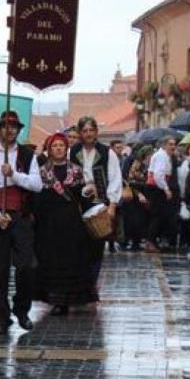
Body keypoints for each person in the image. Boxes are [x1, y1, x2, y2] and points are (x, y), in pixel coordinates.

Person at [0, 110, 43, 334]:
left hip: (21, 217)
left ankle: (22, 309)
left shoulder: (28, 155)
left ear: (18, 130)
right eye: (5, 126)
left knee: (28, 265)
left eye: (14, 127)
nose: (10, 130)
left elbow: (37, 184)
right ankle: (2, 316)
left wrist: (13, 174)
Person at [33, 133, 97, 315]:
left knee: (71, 260)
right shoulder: (42, 172)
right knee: (52, 260)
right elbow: (36, 198)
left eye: (62, 145)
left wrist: (89, 193)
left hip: (71, 222)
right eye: (55, 146)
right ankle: (54, 299)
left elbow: (83, 198)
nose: (59, 149)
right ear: (49, 149)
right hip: (49, 223)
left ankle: (72, 298)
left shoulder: (76, 171)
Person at [68, 116, 120, 280]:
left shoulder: (107, 153)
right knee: (78, 242)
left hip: (100, 202)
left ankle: (92, 281)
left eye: (91, 130)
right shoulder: (73, 152)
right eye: (85, 131)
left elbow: (115, 178)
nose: (88, 134)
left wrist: (112, 204)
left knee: (97, 243)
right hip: (77, 202)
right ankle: (80, 281)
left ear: (96, 132)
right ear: (80, 133)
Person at [145, 137, 178, 252]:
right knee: (157, 216)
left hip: (158, 186)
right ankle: (150, 241)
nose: (173, 147)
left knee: (160, 216)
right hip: (156, 187)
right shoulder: (161, 156)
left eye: (174, 144)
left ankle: (152, 240)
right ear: (164, 145)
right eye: (170, 144)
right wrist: (166, 189)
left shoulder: (165, 156)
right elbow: (158, 175)